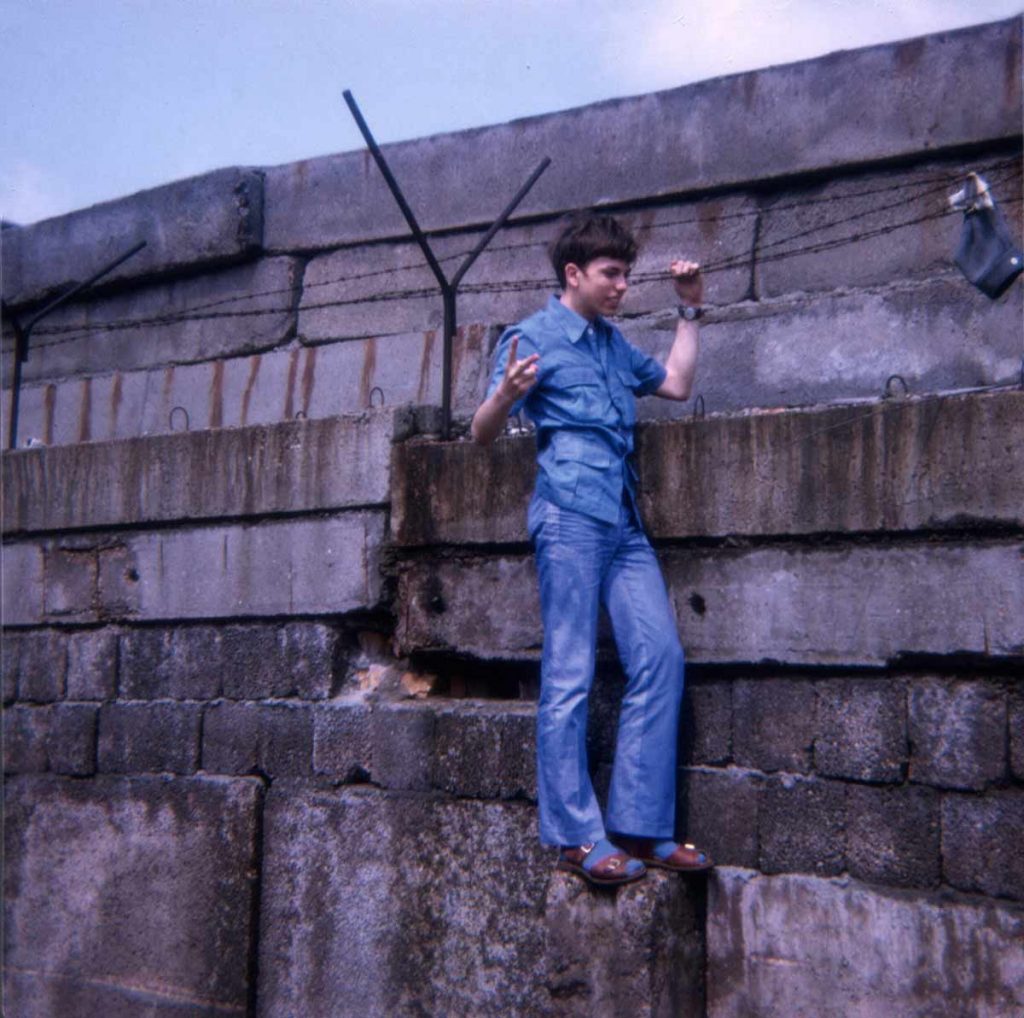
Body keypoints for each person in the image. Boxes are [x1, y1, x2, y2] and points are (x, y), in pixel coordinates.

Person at [471, 213, 712, 886]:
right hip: (569, 516)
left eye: (627, 275)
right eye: (612, 274)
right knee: (570, 673)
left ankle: (638, 826)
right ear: (573, 275)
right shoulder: (532, 336)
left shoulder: (611, 344)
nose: (623, 286)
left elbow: (675, 385)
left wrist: (691, 313)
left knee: (660, 655)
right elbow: (481, 432)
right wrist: (505, 396)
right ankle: (577, 835)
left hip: (624, 520)